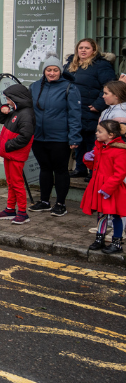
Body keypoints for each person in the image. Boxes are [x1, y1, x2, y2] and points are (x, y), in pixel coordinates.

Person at [28, 54, 82, 217]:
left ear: (60, 71)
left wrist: (74, 137)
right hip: (39, 137)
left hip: (60, 138)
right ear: (44, 71)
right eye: (49, 70)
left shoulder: (69, 87)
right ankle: (44, 201)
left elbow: (75, 114)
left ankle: (60, 204)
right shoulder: (35, 86)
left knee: (60, 170)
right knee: (44, 169)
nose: (52, 73)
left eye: (55, 70)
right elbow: (27, 108)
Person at [65, 38, 117, 178]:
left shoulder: (101, 65)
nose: (83, 50)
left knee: (92, 142)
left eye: (87, 48)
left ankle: (93, 171)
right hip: (74, 109)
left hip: (91, 109)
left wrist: (98, 104)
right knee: (78, 139)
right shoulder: (71, 64)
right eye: (81, 47)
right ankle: (80, 169)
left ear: (94, 50)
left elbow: (110, 86)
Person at [0, 84, 35, 224]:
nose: (8, 102)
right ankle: (10, 209)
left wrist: (8, 145)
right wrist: (1, 109)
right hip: (10, 153)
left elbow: (25, 136)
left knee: (17, 183)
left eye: (9, 99)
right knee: (11, 183)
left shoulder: (26, 114)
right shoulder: (17, 111)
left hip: (15, 154)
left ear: (17, 98)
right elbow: (1, 119)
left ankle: (22, 212)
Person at [81, 120, 126, 254]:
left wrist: (108, 188)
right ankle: (99, 239)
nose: (96, 133)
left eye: (100, 131)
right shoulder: (99, 146)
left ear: (111, 135)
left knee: (115, 215)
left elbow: (120, 173)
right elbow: (93, 166)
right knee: (101, 213)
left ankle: (116, 242)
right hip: (98, 185)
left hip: (111, 188)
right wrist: (87, 159)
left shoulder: (120, 150)